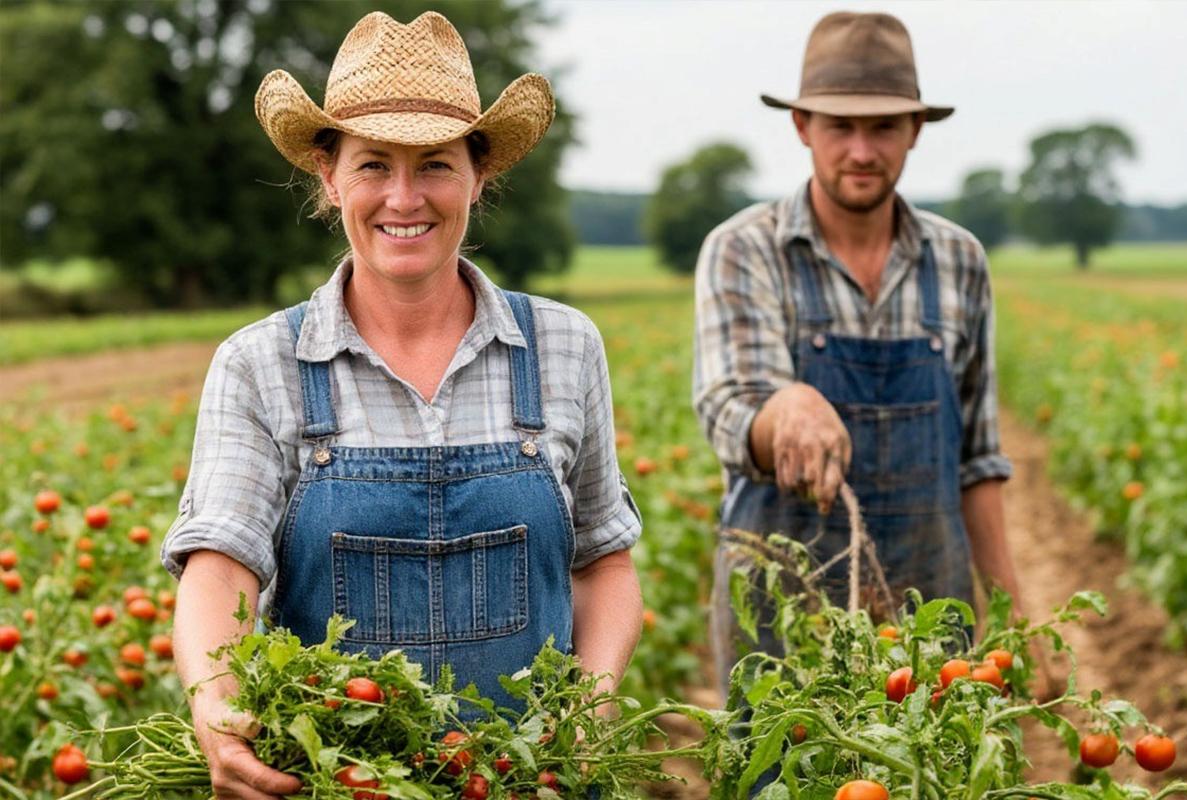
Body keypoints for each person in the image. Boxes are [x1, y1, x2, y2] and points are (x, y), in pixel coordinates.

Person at [161, 11, 643, 798]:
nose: (404, 197)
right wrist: (216, 703)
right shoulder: (260, 364)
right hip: (337, 782)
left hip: (534, 780)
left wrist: (588, 708)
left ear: (479, 175)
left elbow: (604, 562)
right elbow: (219, 567)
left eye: (436, 165)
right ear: (329, 176)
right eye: (374, 164)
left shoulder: (562, 344)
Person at [693, 12, 1030, 694]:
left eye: (882, 128)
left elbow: (977, 460)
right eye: (840, 127)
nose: (861, 151)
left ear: (914, 130)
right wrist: (787, 405)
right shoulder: (746, 248)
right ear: (802, 128)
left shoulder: (960, 260)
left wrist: (1014, 614)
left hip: (930, 607)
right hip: (783, 611)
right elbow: (731, 409)